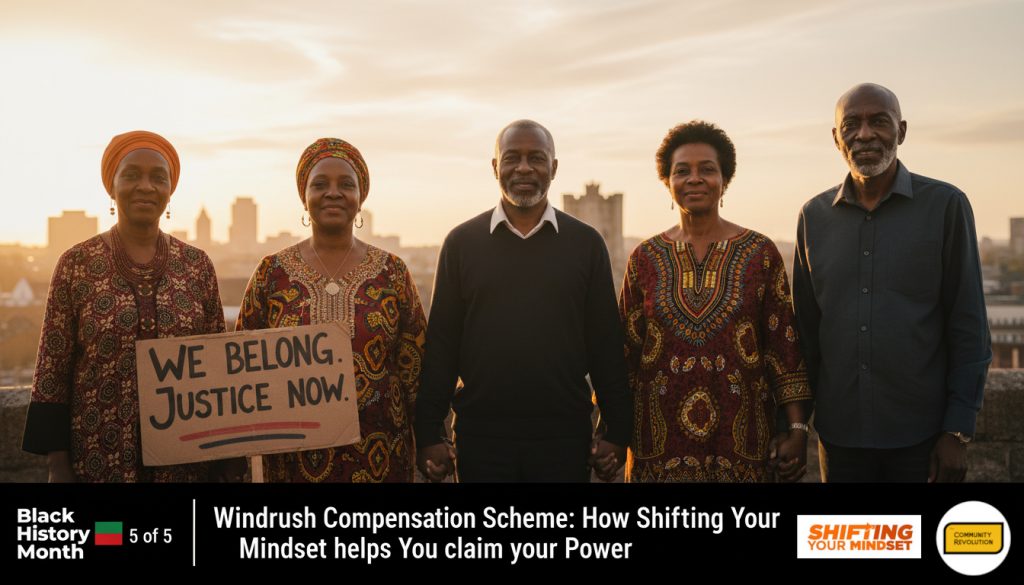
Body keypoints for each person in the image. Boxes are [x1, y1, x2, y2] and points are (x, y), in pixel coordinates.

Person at [792, 83, 991, 482]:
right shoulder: (813, 217)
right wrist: (795, 427)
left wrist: (957, 430)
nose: (864, 134)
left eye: (878, 122)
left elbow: (968, 324)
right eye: (851, 124)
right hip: (840, 438)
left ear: (901, 131)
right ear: (836, 138)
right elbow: (806, 335)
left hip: (921, 437)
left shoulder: (946, 206)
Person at [414, 120, 633, 482]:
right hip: (481, 440)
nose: (524, 168)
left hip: (565, 439)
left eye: (537, 158)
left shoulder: (586, 245)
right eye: (512, 158)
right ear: (495, 167)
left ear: (554, 168)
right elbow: (443, 347)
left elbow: (605, 345)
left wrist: (616, 430)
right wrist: (428, 434)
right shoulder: (461, 244)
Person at [22, 131, 230, 482]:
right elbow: (52, 370)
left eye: (158, 177)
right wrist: (57, 465)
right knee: (109, 522)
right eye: (132, 175)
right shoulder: (77, 264)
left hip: (185, 465)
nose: (145, 186)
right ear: (112, 186)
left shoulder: (197, 266)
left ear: (170, 191)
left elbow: (218, 366)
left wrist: (225, 458)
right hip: (99, 461)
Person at [620, 120, 812, 483]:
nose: (694, 179)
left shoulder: (760, 254)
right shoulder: (644, 258)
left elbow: (784, 349)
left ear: (725, 180)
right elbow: (625, 354)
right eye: (682, 171)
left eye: (707, 169)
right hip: (656, 450)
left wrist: (798, 429)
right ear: (667, 182)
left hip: (744, 447)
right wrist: (611, 433)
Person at [236, 137, 426, 482]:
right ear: (304, 197)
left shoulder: (392, 272)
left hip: (381, 457)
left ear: (360, 198)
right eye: (320, 184)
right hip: (294, 463)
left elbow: (415, 367)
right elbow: (242, 368)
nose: (333, 193)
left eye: (346, 185)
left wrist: (432, 439)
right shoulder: (271, 273)